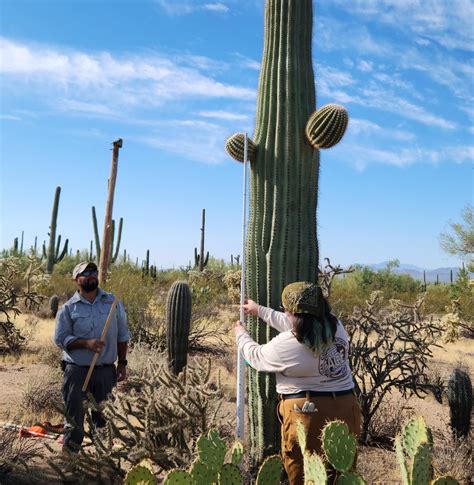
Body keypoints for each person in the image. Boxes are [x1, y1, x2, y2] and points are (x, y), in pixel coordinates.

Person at [236, 281, 361, 484]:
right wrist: (259, 310)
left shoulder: (287, 344)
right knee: (342, 474)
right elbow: (299, 322)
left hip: (306, 414)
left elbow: (255, 358)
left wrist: (241, 336)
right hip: (347, 408)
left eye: (285, 311)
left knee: (303, 475)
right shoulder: (336, 326)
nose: (284, 314)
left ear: (293, 314)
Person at [54, 261, 130, 452]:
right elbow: (60, 338)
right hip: (77, 371)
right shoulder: (69, 308)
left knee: (104, 419)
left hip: (106, 371)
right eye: (85, 273)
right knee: (74, 419)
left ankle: (103, 464)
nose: (91, 275)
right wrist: (85, 343)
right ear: (76, 280)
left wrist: (122, 363)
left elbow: (123, 335)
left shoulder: (113, 303)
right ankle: (70, 462)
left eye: (93, 272)